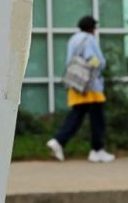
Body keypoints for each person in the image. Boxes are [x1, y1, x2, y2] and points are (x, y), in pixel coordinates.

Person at [46, 16, 115, 163]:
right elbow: (91, 59)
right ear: (90, 28)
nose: (95, 31)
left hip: (76, 84)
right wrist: (100, 65)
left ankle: (58, 142)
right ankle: (97, 151)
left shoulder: (73, 39)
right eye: (94, 27)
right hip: (90, 85)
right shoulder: (88, 39)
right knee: (98, 119)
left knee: (76, 116)